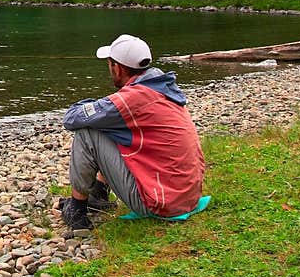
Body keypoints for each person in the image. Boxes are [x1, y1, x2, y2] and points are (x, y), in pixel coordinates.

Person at [58, 34, 206, 230]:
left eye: (110, 64)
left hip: (161, 203)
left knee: (87, 132)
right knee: (109, 125)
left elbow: (71, 119)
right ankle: (99, 195)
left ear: (117, 67)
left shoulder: (133, 99)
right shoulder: (161, 88)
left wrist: (95, 105)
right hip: (184, 197)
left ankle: (76, 212)